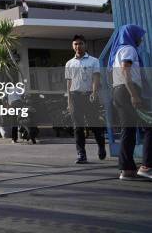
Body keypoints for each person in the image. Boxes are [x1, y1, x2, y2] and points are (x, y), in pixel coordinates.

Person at [109, 24, 152, 180]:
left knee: (128, 130)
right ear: (132, 35)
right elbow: (125, 73)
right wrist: (133, 95)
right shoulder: (129, 49)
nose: (141, 39)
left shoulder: (117, 51)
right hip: (128, 91)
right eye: (139, 36)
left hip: (118, 91)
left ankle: (127, 169)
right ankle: (147, 166)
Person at [65, 35, 105, 164]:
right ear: (73, 46)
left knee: (95, 125)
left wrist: (94, 93)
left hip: (89, 96)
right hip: (75, 97)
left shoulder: (93, 61)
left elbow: (96, 78)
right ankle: (81, 154)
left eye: (80, 43)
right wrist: (69, 102)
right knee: (78, 127)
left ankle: (101, 147)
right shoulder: (69, 63)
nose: (78, 46)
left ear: (85, 45)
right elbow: (69, 84)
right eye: (75, 44)